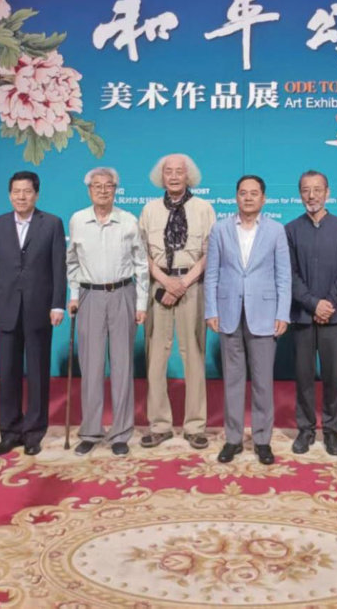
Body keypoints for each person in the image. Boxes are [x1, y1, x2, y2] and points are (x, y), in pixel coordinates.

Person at [206, 175, 291, 465]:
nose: (248, 198)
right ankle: (232, 439)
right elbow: (212, 273)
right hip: (228, 312)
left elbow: (283, 275)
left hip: (264, 314)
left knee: (263, 381)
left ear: (263, 198)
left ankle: (262, 440)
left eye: (254, 193)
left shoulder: (276, 230)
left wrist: (282, 313)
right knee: (232, 380)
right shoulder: (220, 229)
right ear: (236, 197)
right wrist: (211, 310)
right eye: (243, 193)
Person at [66, 167, 148, 456]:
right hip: (90, 296)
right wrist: (73, 295)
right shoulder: (78, 220)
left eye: (108, 186)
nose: (103, 190)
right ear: (89, 190)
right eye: (97, 186)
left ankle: (121, 433)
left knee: (122, 366)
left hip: (123, 294)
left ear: (116, 189)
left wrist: (141, 304)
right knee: (91, 366)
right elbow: (72, 262)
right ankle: (90, 431)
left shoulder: (128, 221)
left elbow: (141, 264)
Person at [0, 171, 66, 456]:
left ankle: (33, 432)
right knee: (7, 373)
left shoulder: (52, 223)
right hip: (5, 308)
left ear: (36, 194)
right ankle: (9, 432)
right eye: (16, 191)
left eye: (27, 191)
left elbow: (58, 268)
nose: (21, 196)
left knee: (38, 373)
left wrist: (57, 304)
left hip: (39, 309)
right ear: (9, 195)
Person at [138, 153, 216, 450]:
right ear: (161, 176)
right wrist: (165, 280)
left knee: (193, 355)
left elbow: (210, 253)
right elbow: (141, 253)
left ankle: (195, 426)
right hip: (158, 285)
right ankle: (159, 425)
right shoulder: (149, 210)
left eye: (179, 172)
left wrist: (182, 283)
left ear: (188, 176)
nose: (173, 176)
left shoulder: (204, 209)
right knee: (156, 357)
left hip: (192, 285)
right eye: (168, 171)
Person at [285, 170, 337, 456]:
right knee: (303, 376)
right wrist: (313, 304)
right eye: (306, 190)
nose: (311, 195)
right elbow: (289, 274)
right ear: (300, 193)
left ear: (328, 193)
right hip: (302, 316)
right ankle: (305, 429)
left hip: (334, 316)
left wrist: (328, 303)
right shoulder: (290, 230)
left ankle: (331, 430)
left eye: (317, 189)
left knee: (332, 376)